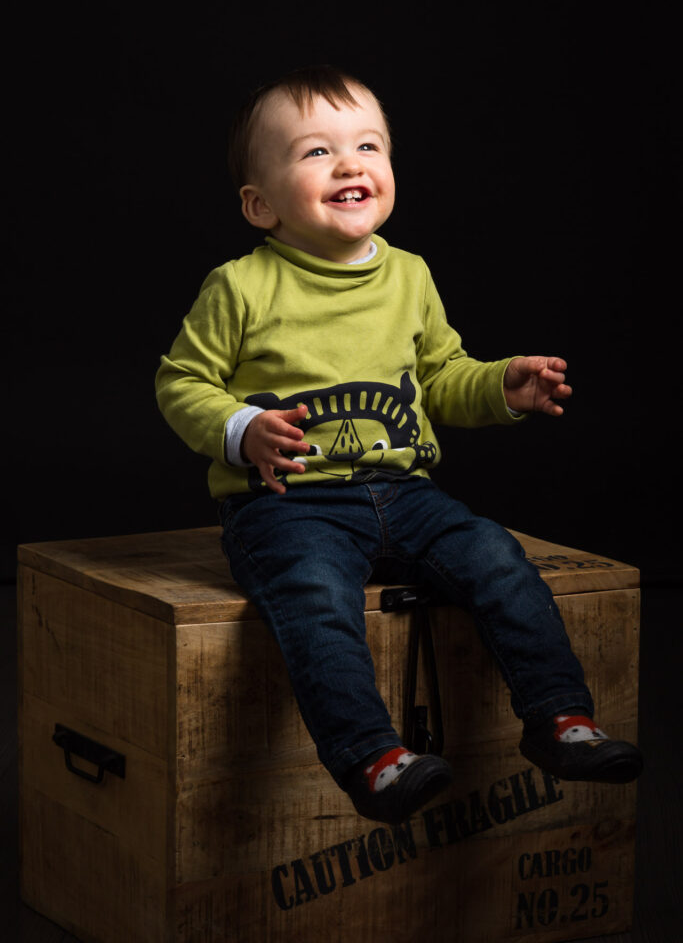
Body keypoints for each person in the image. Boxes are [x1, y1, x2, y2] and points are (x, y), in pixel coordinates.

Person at [155, 65, 642, 824]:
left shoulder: (409, 276)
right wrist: (240, 429)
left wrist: (501, 388)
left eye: (367, 146)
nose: (349, 165)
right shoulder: (241, 287)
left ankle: (559, 721)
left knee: (496, 556)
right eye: (316, 153)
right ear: (259, 205)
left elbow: (441, 377)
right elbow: (180, 382)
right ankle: (372, 759)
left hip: (408, 496)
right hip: (290, 507)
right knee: (315, 598)